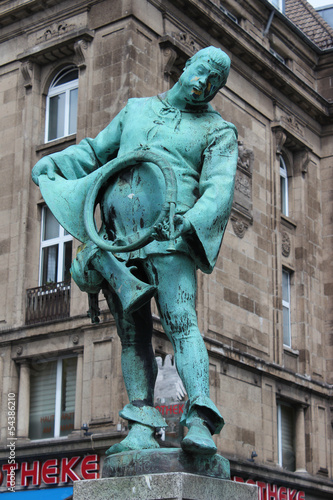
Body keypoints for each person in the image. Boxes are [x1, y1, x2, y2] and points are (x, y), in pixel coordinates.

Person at [32, 46, 238, 456]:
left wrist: (192, 221)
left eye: (215, 82)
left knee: (181, 320)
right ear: (188, 66)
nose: (205, 84)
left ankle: (198, 418)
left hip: (169, 234)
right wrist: (54, 165)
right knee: (131, 335)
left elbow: (220, 187)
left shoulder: (218, 130)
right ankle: (141, 422)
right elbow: (94, 153)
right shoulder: (136, 109)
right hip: (116, 240)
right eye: (203, 71)